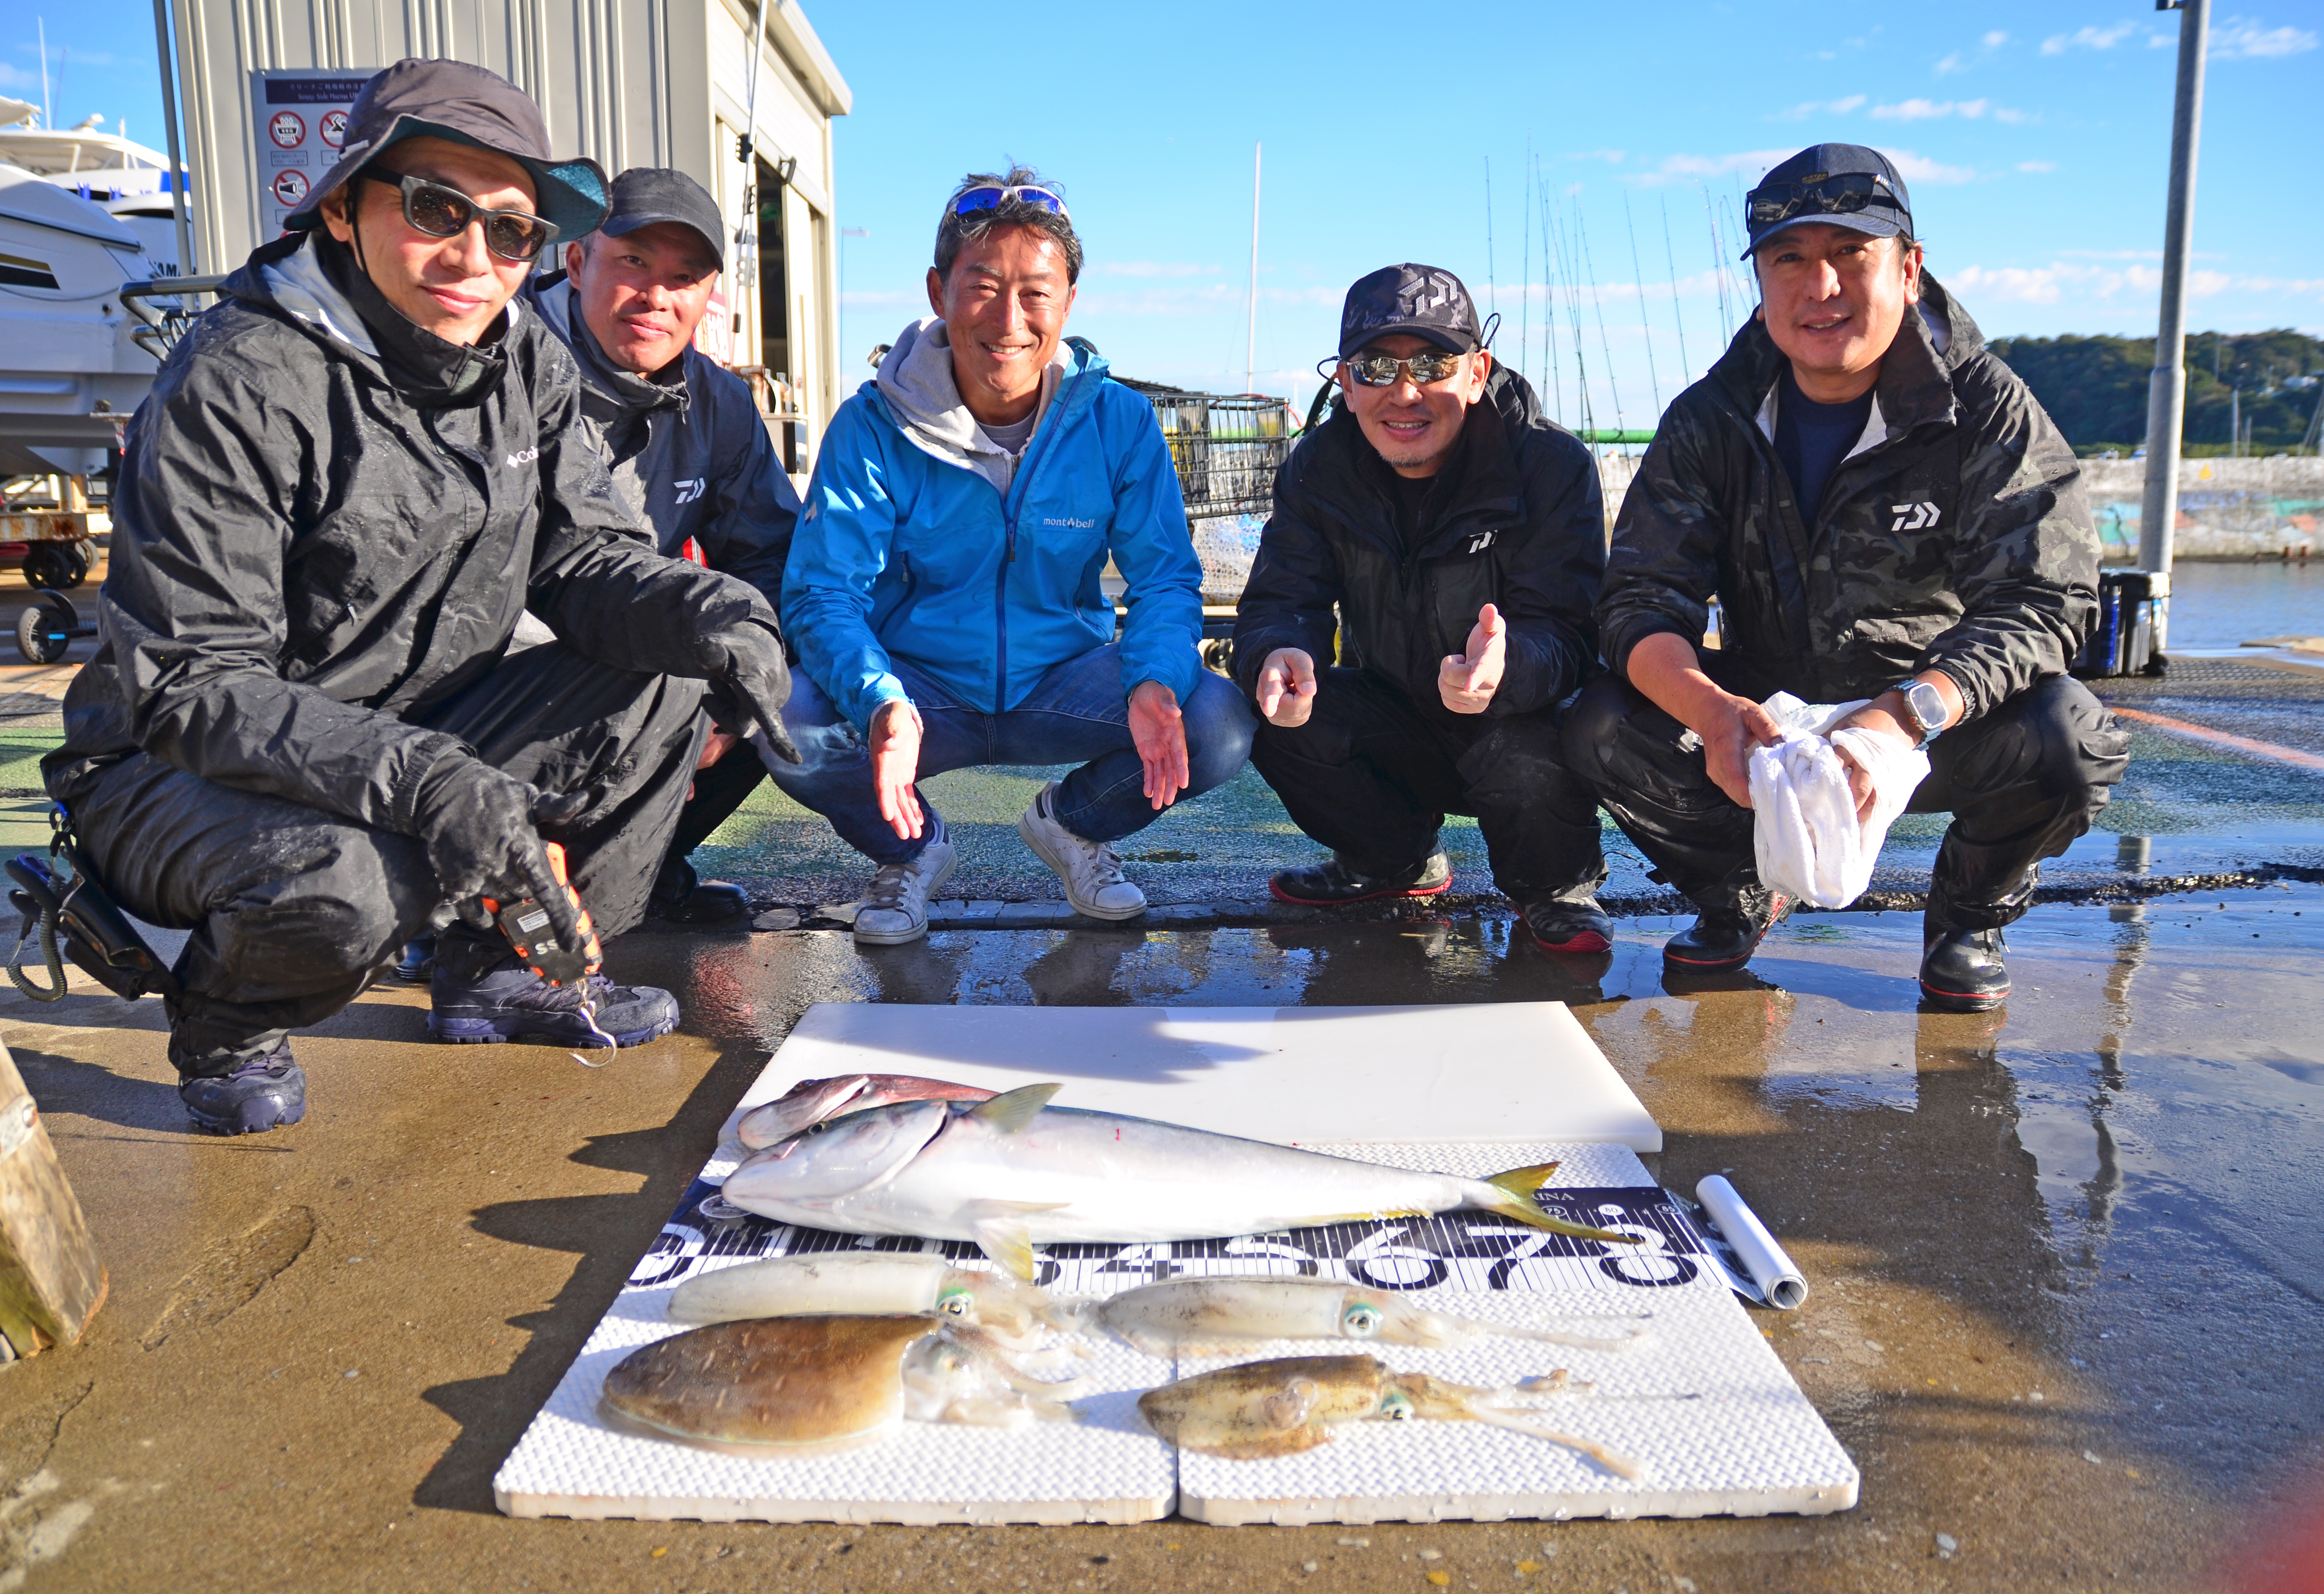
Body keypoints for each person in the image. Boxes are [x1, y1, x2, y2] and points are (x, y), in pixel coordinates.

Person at [42, 60, 798, 1134]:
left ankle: (500, 974)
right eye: (438, 208)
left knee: (669, 676)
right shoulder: (238, 380)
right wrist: (431, 782)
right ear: (343, 207)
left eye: (511, 231)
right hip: (179, 766)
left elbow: (584, 557)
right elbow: (192, 684)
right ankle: (224, 1019)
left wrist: (718, 615)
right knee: (354, 876)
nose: (474, 258)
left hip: (408, 721)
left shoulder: (523, 358)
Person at [1564, 143, 2128, 1009]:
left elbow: (2044, 601)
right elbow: (1640, 599)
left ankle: (1968, 917)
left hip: (1932, 718)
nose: (1819, 287)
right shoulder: (1711, 417)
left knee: (2070, 735)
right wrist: (1711, 712)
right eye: (1789, 259)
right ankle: (1738, 892)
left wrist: (1905, 714)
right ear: (1760, 280)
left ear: (1909, 268)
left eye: (1849, 253)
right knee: (1602, 720)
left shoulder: (1986, 406)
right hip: (1767, 720)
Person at [770, 168, 1255, 945]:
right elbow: (824, 592)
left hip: (1065, 678)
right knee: (789, 720)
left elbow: (1165, 578)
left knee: (1216, 721)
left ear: (1069, 302)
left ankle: (1073, 824)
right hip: (919, 688)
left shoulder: (1122, 421)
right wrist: (880, 700)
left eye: (1036, 293)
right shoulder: (869, 426)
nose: (1009, 320)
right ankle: (911, 850)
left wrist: (1155, 680)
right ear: (938, 292)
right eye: (984, 287)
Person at [1232, 264, 1614, 953]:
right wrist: (1280, 652)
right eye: (1376, 367)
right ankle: (1393, 862)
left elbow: (1569, 633)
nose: (1405, 393)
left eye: (1433, 364)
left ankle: (1556, 888)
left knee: (1534, 746)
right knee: (1264, 706)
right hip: (1396, 712)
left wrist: (1508, 667)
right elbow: (1282, 601)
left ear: (1476, 373)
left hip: (1517, 714)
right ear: (1346, 384)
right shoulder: (1316, 468)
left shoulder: (1552, 465)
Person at [528, 166, 798, 925]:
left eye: (684, 278)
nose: (657, 296)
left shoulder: (721, 402)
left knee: (778, 681)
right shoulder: (504, 367)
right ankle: (459, 898)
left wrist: (729, 703)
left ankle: (641, 872)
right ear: (577, 261)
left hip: (635, 658)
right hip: (504, 676)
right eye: (634, 263)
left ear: (708, 294)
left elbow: (770, 556)